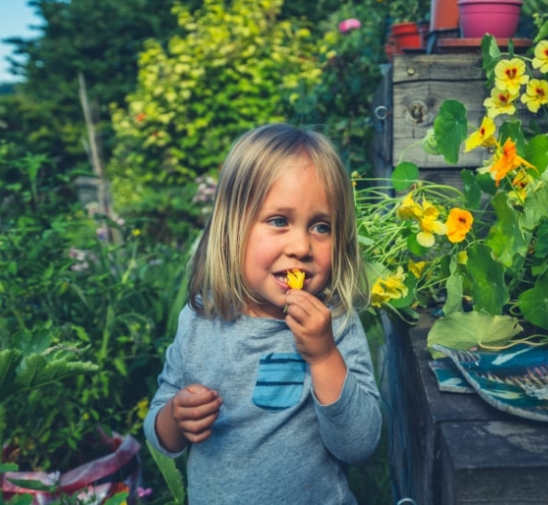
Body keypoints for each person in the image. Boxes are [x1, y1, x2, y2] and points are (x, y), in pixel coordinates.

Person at [144, 124, 382, 504]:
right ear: (233, 227)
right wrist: (175, 418)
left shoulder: (333, 322)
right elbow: (161, 424)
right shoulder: (201, 321)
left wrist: (323, 356)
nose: (302, 246)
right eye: (279, 221)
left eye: (321, 227)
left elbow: (359, 444)